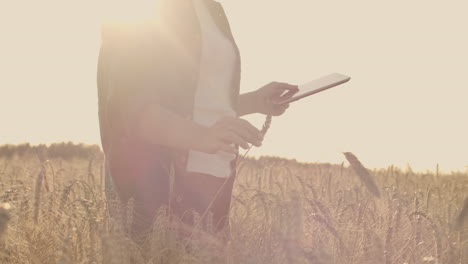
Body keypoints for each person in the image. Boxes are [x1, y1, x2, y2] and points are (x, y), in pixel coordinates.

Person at [97, 0, 298, 242]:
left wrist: (255, 101)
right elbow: (128, 108)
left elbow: (198, 104)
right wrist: (202, 137)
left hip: (212, 188)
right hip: (155, 190)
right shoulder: (141, 11)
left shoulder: (212, 9)